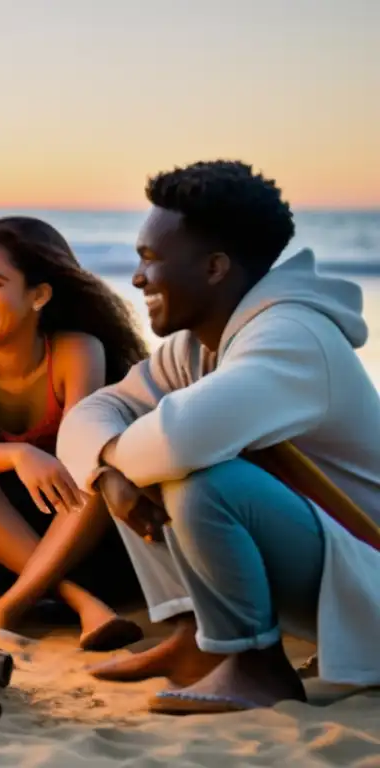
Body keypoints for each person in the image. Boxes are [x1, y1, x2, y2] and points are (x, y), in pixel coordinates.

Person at [57, 160, 380, 714]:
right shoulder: (200, 346)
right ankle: (197, 639)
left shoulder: (291, 337)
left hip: (368, 577)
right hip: (335, 569)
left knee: (197, 475)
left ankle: (254, 663)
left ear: (213, 268)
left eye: (151, 260)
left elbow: (180, 441)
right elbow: (96, 411)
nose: (136, 278)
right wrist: (105, 470)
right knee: (135, 458)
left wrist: (114, 467)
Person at [0, 217, 146, 649]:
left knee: (97, 477)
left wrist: (51, 462)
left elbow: (80, 450)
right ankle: (80, 602)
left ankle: (9, 606)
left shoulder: (77, 349)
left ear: (40, 295)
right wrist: (19, 456)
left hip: (86, 535)